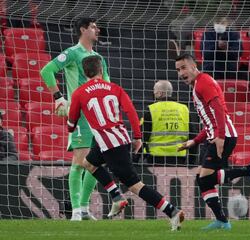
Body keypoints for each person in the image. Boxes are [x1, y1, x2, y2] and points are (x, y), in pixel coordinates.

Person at [67, 55, 185, 230]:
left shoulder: (79, 92)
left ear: (85, 73)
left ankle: (172, 211)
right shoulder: (115, 88)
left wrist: (66, 116)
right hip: (118, 139)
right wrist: (137, 137)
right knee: (88, 164)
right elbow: (130, 111)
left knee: (135, 185)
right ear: (101, 70)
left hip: (110, 145)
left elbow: (71, 125)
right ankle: (116, 197)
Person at [175, 53, 250, 230]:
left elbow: (218, 108)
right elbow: (209, 120)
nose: (181, 73)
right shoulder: (199, 84)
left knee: (205, 179)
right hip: (216, 135)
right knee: (204, 179)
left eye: (183, 68)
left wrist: (220, 137)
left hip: (222, 136)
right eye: (178, 70)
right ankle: (222, 220)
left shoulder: (204, 82)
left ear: (194, 66)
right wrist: (194, 141)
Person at [40, 17, 120, 221]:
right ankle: (76, 210)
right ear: (83, 30)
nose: (97, 30)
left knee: (96, 163)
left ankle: (84, 208)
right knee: (79, 161)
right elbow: (47, 70)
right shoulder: (72, 53)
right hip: (81, 115)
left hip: (98, 118)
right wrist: (59, 98)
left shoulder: (98, 58)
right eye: (93, 27)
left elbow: (108, 85)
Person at [142, 80, 197, 165]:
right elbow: (193, 136)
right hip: (179, 157)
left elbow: (142, 137)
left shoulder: (151, 109)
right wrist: (191, 161)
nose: (153, 93)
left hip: (155, 158)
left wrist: (136, 159)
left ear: (160, 93)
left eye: (154, 90)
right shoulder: (184, 109)